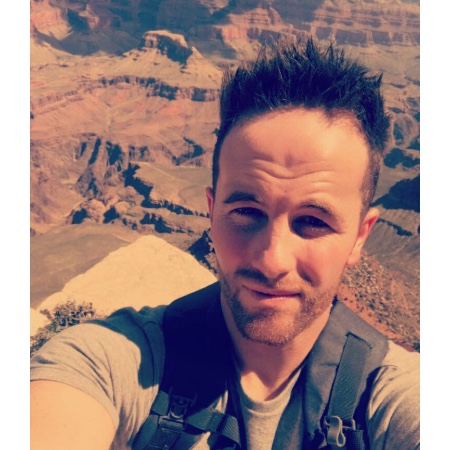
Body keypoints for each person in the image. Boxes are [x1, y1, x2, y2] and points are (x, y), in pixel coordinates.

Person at [30, 37, 419, 450]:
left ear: (360, 236)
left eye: (312, 221)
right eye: (247, 212)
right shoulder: (107, 362)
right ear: (211, 213)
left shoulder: (395, 395)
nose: (272, 260)